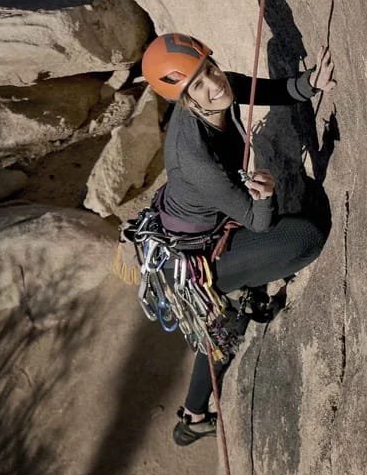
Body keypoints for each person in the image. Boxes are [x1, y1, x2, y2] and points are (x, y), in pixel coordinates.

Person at [140, 32, 336, 446]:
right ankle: (194, 415)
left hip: (197, 233)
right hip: (199, 260)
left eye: (209, 68)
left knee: (224, 321)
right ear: (185, 100)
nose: (214, 83)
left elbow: (253, 88)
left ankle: (193, 416)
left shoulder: (209, 92)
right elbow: (257, 221)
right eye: (198, 84)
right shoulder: (196, 161)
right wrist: (264, 199)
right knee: (305, 236)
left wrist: (308, 84)